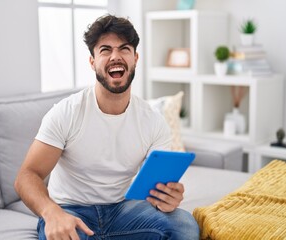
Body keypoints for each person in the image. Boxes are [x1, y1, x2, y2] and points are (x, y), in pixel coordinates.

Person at [14, 14, 199, 240]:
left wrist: (167, 198)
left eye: (124, 49)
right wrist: (51, 212)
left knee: (184, 225)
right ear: (92, 62)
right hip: (70, 211)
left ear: (135, 58)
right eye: (105, 50)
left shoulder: (153, 121)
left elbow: (156, 186)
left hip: (123, 210)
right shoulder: (66, 112)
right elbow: (27, 176)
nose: (115, 56)